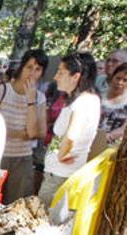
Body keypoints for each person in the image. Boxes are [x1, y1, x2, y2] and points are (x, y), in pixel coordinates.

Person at [39, 53, 101, 206]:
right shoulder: (84, 100)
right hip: (57, 173)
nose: (56, 77)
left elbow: (71, 136)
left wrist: (62, 154)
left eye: (61, 72)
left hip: (60, 175)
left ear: (76, 76)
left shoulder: (83, 102)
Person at [0, 49, 48, 203]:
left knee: (16, 205)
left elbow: (35, 132)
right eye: (29, 67)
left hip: (22, 159)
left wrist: (30, 101)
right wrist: (17, 133)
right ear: (22, 67)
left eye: (38, 69)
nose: (32, 73)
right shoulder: (0, 91)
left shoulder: (39, 98)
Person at [99, 62, 127, 144]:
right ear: (113, 77)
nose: (120, 82)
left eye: (125, 80)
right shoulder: (99, 97)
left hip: (113, 145)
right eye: (118, 78)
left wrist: (109, 137)